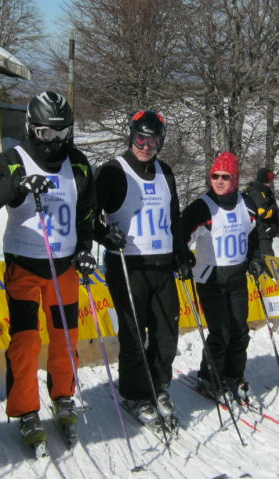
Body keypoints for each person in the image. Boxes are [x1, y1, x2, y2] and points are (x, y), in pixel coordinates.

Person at [0, 91, 95, 449]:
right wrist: (17, 186)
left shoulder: (79, 164)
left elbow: (86, 213)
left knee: (65, 337)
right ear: (30, 128)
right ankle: (25, 409)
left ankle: (63, 394)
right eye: (45, 133)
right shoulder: (13, 160)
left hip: (64, 267)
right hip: (24, 266)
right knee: (25, 342)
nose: (54, 142)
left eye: (61, 133)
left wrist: (85, 250)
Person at [94, 110, 192, 430]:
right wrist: (104, 234)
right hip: (128, 265)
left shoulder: (165, 171)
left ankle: (157, 384)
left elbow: (174, 218)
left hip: (162, 266)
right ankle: (135, 393)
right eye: (140, 138)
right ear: (131, 135)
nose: (145, 146)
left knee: (166, 334)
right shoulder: (113, 171)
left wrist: (180, 253)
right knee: (134, 334)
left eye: (152, 141)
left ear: (160, 142)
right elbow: (89, 215)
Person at [182, 152, 266, 404]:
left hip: (238, 276)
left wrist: (256, 258)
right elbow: (180, 235)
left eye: (225, 177)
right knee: (220, 332)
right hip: (210, 278)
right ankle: (210, 377)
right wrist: (183, 256)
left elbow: (254, 235)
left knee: (240, 331)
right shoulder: (201, 207)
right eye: (214, 176)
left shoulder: (247, 204)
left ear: (236, 179)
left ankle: (233, 375)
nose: (218, 181)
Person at [244, 166, 279, 257]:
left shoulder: (264, 191)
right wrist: (275, 209)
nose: (272, 181)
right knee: (267, 259)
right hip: (261, 233)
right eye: (271, 178)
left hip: (264, 232)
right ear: (265, 179)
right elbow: (263, 213)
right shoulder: (257, 192)